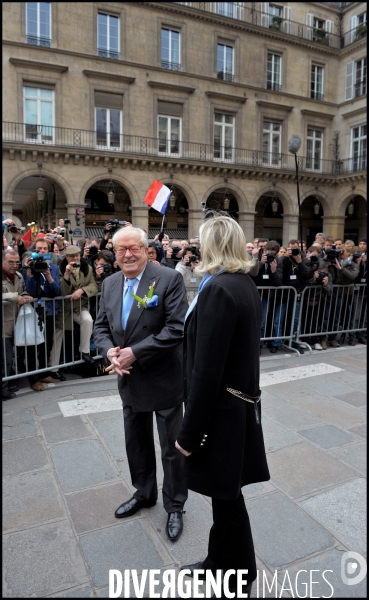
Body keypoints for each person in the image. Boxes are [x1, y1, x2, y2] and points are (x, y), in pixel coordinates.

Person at [175, 214, 270, 598]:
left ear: (211, 244)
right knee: (224, 496)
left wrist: (188, 432)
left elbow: (207, 370)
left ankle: (237, 573)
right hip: (237, 408)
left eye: (200, 241)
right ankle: (220, 565)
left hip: (221, 413)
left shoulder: (219, 289)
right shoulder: (242, 282)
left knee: (227, 499)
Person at [93, 226, 189, 542]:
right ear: (114, 252)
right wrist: (110, 351)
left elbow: (176, 329)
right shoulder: (108, 284)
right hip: (129, 379)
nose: (128, 254)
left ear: (146, 249)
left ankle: (175, 505)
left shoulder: (168, 279)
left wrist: (134, 352)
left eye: (134, 248)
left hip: (162, 377)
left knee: (171, 447)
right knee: (136, 441)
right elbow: (101, 328)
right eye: (121, 250)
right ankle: (144, 492)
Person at [49, 245, 98, 367]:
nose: (75, 258)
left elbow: (94, 286)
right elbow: (62, 292)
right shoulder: (59, 269)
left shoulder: (88, 268)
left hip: (80, 307)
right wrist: (66, 274)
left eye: (77, 255)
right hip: (63, 309)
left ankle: (84, 351)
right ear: (66, 257)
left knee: (88, 320)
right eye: (72, 256)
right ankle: (53, 369)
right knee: (58, 337)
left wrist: (81, 290)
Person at [22, 237, 62, 387]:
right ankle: (34, 378)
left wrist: (49, 276)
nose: (42, 251)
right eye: (39, 249)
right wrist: (29, 272)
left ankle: (45, 373)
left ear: (48, 251)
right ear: (34, 250)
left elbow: (56, 291)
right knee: (33, 344)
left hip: (49, 311)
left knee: (47, 342)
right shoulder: (28, 268)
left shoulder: (54, 268)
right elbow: (31, 291)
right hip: (33, 311)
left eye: (44, 249)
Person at [2, 249, 34, 399]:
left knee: (11, 357)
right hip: (4, 325)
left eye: (16, 262)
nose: (14, 265)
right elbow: (15, 296)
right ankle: (3, 388)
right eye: (10, 262)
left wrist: (25, 296)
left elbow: (24, 291)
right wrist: (15, 297)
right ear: (3, 261)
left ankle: (8, 382)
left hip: (17, 322)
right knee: (5, 358)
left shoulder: (19, 276)